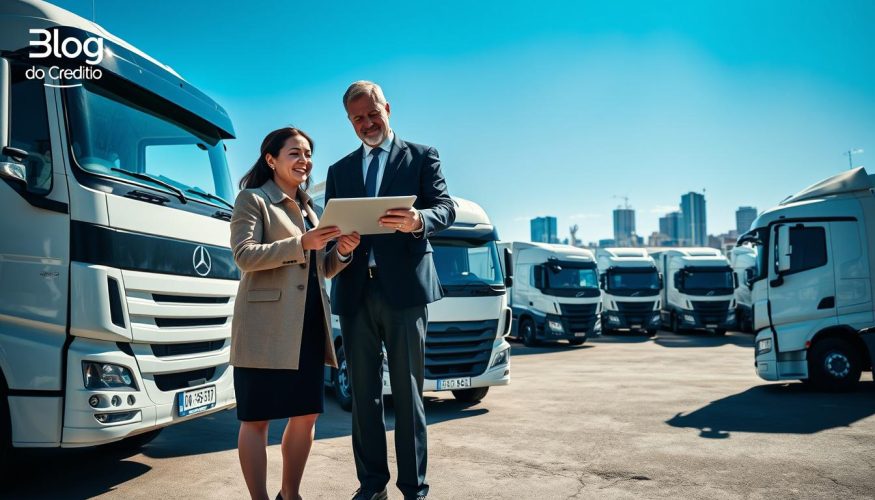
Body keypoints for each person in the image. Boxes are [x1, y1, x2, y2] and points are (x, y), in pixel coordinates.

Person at [324, 81, 456, 500]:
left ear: (388, 108)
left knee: (408, 394)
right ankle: (371, 486)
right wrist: (340, 249)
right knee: (363, 400)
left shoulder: (422, 156)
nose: (366, 124)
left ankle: (414, 488)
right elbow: (330, 235)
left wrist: (418, 220)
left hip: (406, 295)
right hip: (356, 294)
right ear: (349, 121)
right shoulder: (339, 171)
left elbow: (445, 208)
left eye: (372, 114)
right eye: (357, 119)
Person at [230, 127, 360, 500]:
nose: (305, 161)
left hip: (308, 326)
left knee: (306, 415)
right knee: (256, 419)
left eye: (308, 154)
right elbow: (244, 255)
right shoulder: (252, 200)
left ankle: (290, 494)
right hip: (263, 328)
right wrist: (301, 242)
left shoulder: (311, 210)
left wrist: (343, 252)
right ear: (271, 159)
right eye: (295, 153)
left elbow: (318, 269)